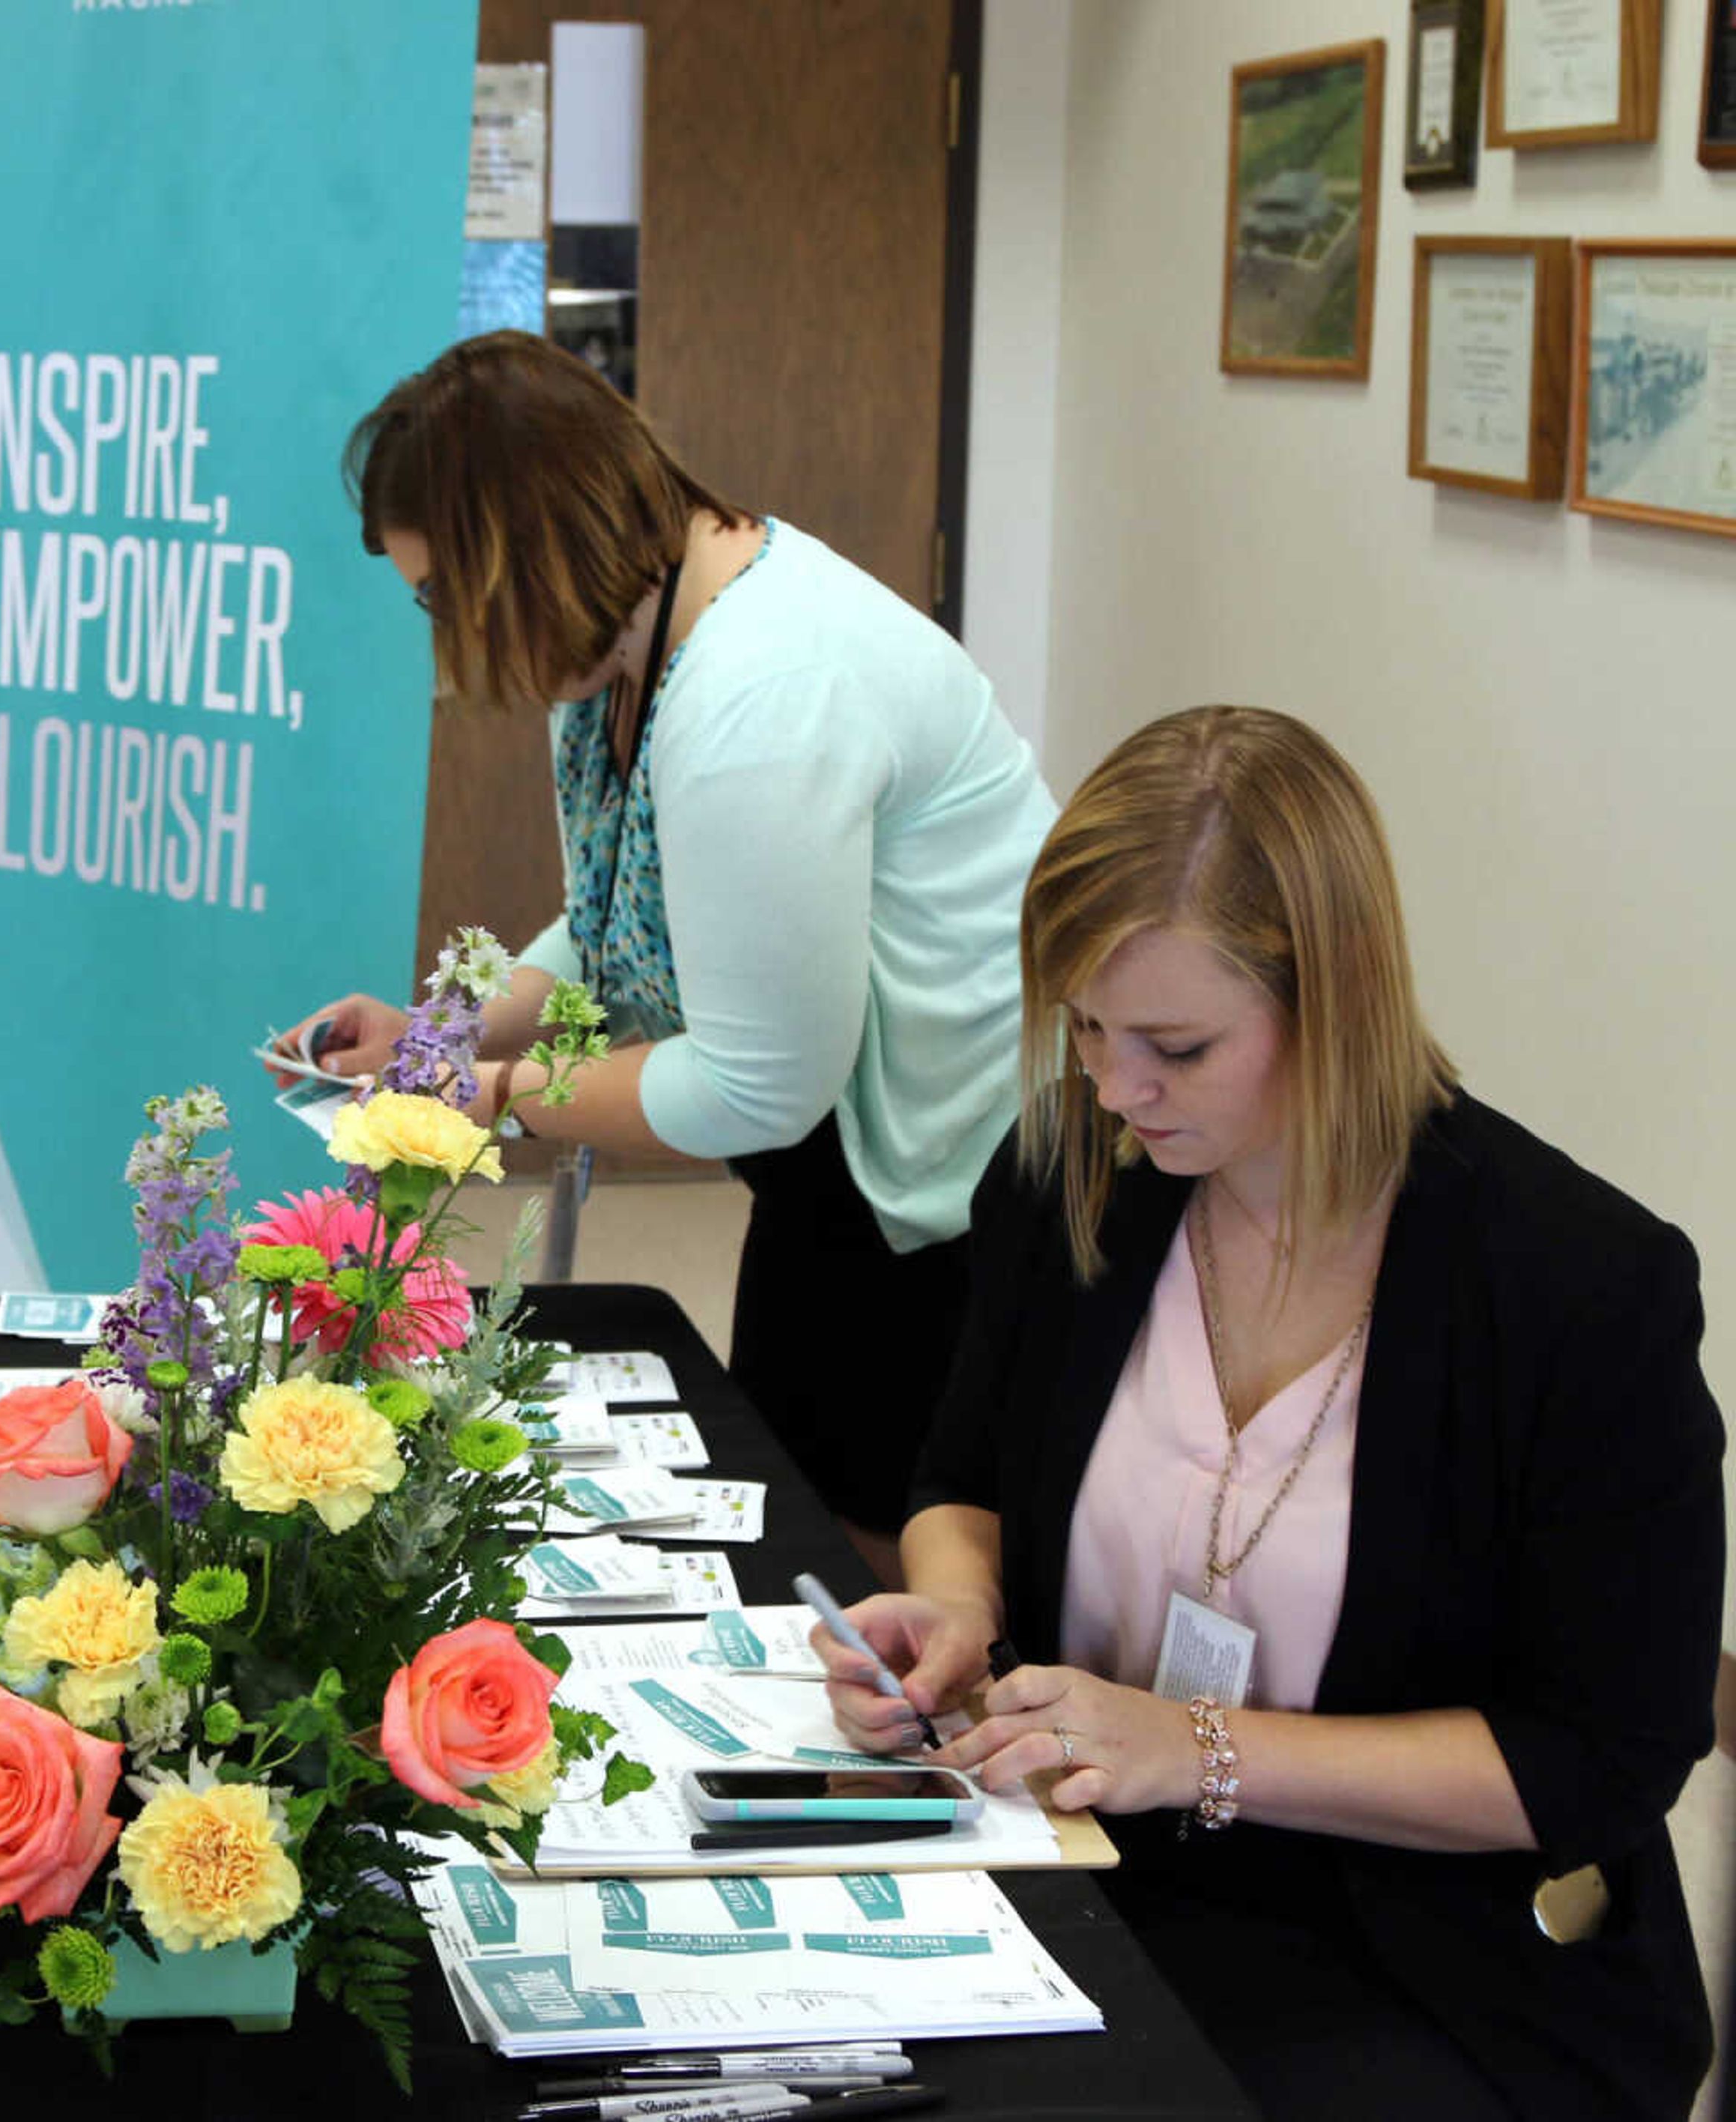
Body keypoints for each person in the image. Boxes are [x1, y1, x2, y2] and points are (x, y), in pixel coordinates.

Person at [817, 707, 1722, 2118]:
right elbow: (961, 1476)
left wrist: (1197, 1747)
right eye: (1088, 1027)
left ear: (1337, 1001)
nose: (1117, 1089)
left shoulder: (1577, 1288)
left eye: (1176, 1045)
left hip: (1429, 1950)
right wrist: (956, 1612)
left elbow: (1601, 1758)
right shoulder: (1076, 1170)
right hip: (1100, 1861)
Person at [278, 331, 1053, 1579]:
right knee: (790, 1493)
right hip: (839, 1150)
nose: (443, 639)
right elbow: (611, 920)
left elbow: (754, 1085)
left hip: (950, 1176)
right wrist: (443, 1030)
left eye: (441, 598)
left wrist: (481, 1102)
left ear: (529, 558)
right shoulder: (630, 645)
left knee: (871, 1554)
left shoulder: (756, 693)